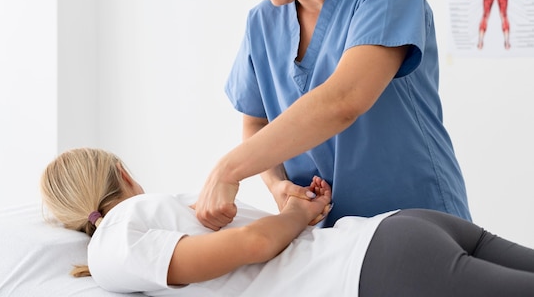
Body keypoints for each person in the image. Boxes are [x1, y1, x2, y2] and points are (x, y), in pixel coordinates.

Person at [194, 0, 471, 231]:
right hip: (329, 237)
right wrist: (276, 184)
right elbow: (256, 120)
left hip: (417, 220)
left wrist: (229, 169)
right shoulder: (262, 24)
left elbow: (343, 100)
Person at [40, 148, 534, 297]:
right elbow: (258, 246)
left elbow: (255, 246)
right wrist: (299, 215)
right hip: (401, 231)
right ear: (124, 174)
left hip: (380, 270)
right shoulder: (155, 214)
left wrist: (296, 213)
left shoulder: (111, 246)